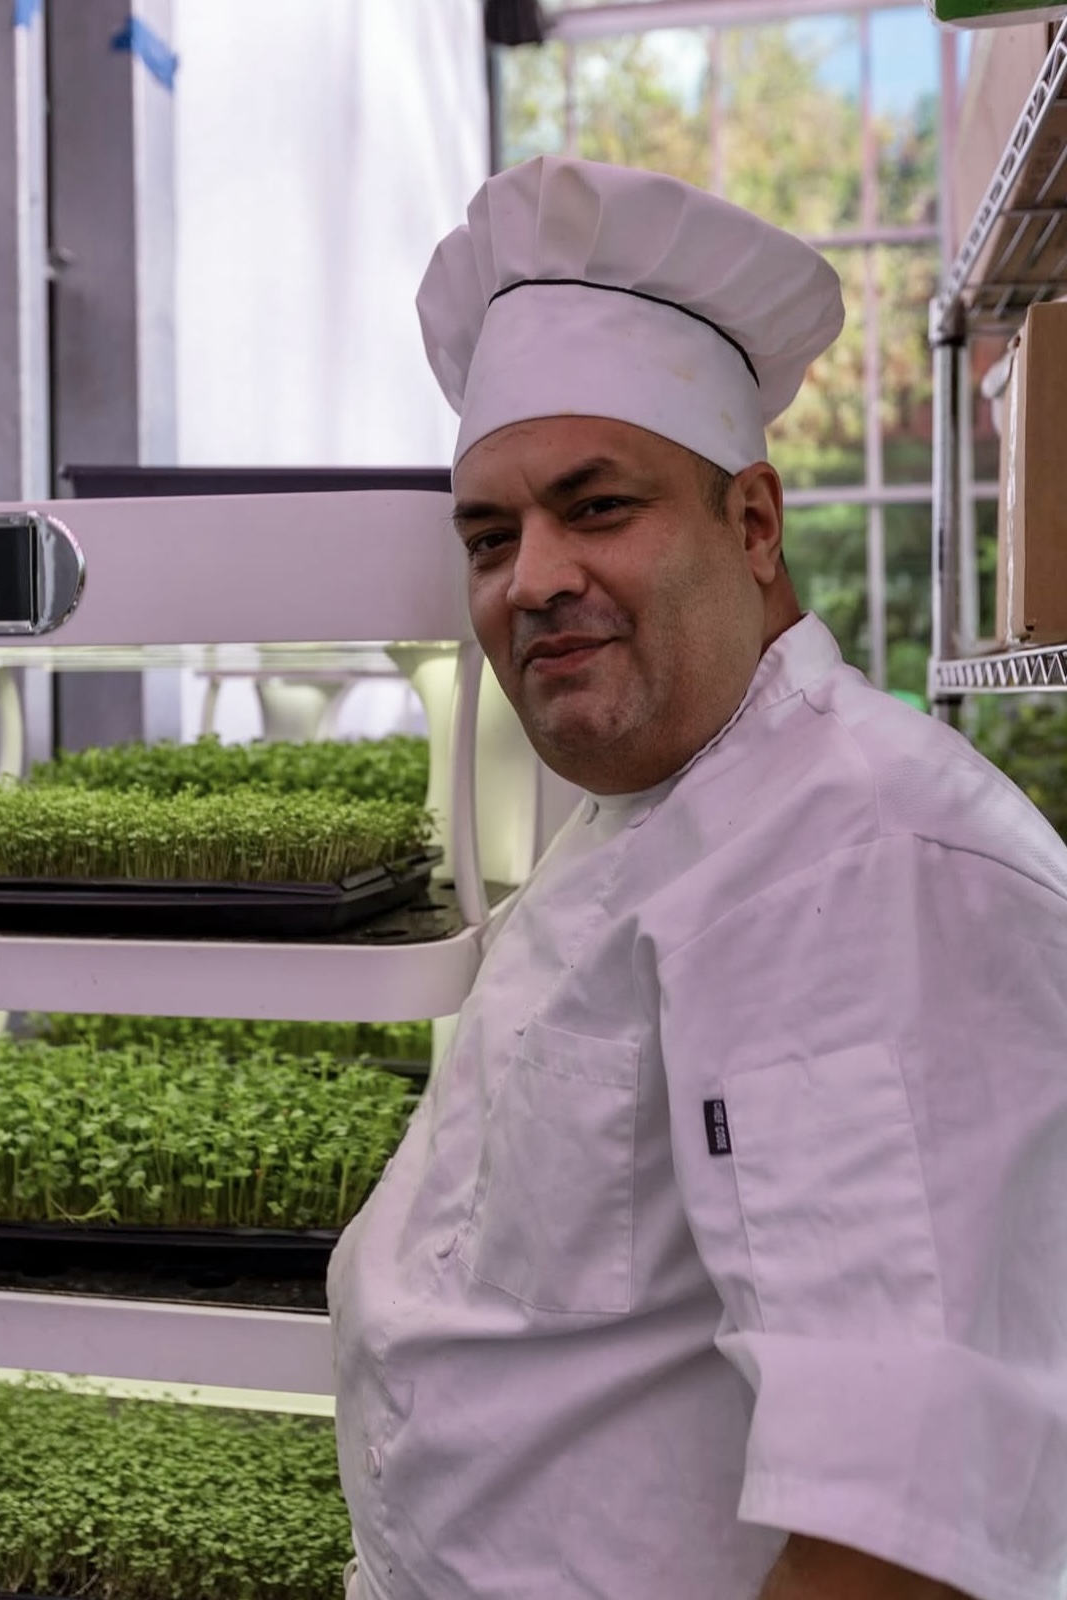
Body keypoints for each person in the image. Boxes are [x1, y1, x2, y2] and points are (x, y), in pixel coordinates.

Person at [327, 155, 1067, 1600]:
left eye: (595, 508)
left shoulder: (859, 868)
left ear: (753, 525)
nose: (531, 576)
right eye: (490, 535)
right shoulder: (664, 811)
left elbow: (899, 1531)